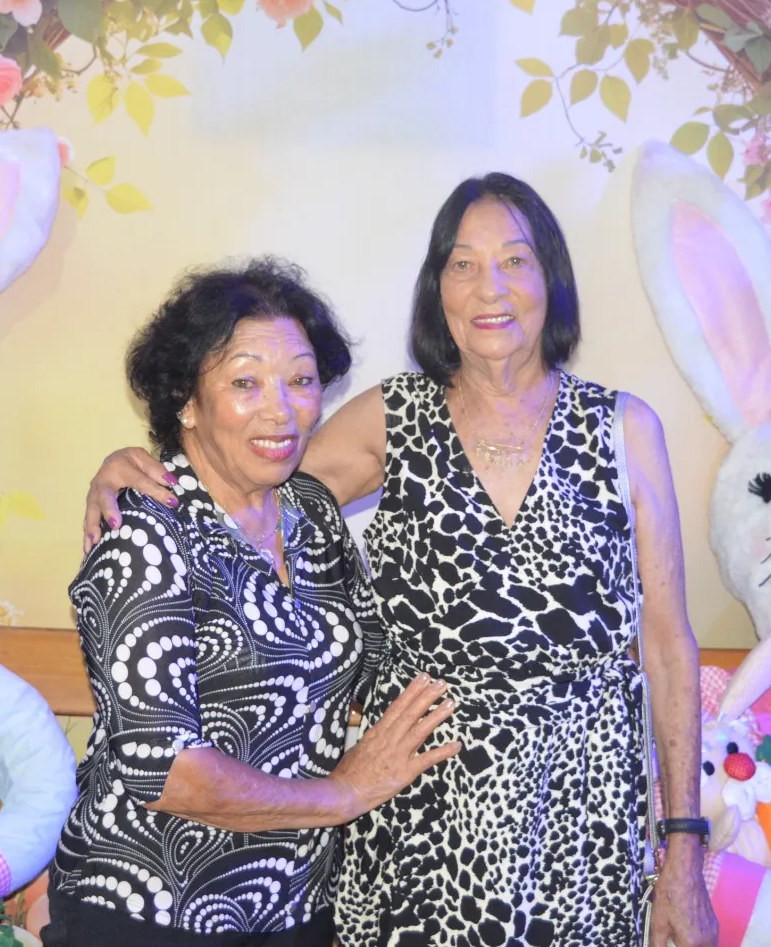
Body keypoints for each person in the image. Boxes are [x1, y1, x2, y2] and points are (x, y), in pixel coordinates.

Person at [82, 176, 718, 947]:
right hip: (418, 829)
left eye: (515, 260)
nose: (489, 287)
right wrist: (130, 469)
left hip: (580, 828)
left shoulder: (625, 430)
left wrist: (683, 844)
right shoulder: (394, 418)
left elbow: (668, 644)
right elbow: (244, 468)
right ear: (436, 290)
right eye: (462, 263)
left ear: (552, 278)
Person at [44, 259, 463, 947]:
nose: (282, 409)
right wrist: (342, 795)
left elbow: (376, 663)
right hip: (152, 911)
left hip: (296, 905)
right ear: (186, 399)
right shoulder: (143, 533)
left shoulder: (310, 512)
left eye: (300, 380)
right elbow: (165, 770)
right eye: (245, 382)